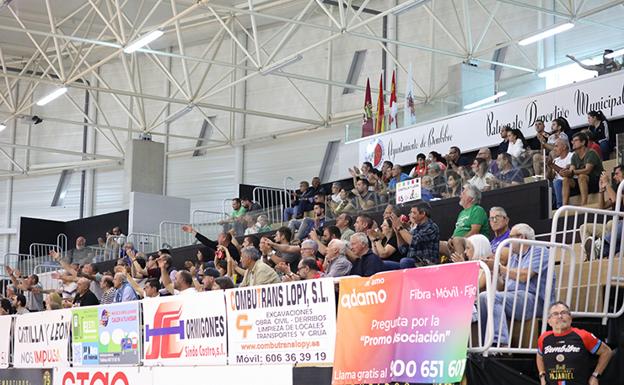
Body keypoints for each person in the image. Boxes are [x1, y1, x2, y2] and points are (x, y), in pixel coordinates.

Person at [478, 224, 553, 346]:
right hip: (513, 297)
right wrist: (493, 273)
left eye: (511, 237)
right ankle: (484, 344)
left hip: (534, 298)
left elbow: (525, 276)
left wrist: (499, 268)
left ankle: (500, 343)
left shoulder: (540, 250)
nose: (508, 241)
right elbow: (502, 286)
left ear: (522, 237)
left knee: (492, 297)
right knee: (483, 296)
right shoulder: (514, 257)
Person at [536, 301, 612, 385]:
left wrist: (595, 376)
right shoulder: (543, 338)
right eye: (555, 314)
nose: (560, 316)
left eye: (564, 313)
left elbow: (607, 352)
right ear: (549, 321)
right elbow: (539, 356)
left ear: (570, 318)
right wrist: (542, 375)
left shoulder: (583, 335)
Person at [440, 184, 490, 259]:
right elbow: (458, 230)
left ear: (471, 199)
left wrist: (458, 240)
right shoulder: (462, 213)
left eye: (463, 194)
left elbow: (474, 232)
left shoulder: (477, 210)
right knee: (439, 245)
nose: (460, 196)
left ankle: (462, 265)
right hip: (458, 243)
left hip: (472, 244)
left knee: (457, 240)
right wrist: (451, 239)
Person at [562, 132, 604, 206]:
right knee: (566, 179)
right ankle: (564, 206)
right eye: (572, 141)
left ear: (583, 142)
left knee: (582, 176)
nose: (573, 143)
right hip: (583, 183)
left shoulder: (591, 153)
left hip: (597, 182)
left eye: (576, 140)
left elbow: (588, 170)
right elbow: (571, 171)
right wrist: (565, 172)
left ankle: (584, 204)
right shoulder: (574, 156)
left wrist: (572, 172)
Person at [394, 200, 440, 267]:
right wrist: (397, 232)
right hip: (411, 262)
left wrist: (400, 228)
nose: (410, 215)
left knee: (405, 262)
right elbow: (403, 250)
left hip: (426, 264)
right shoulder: (416, 229)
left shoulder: (431, 227)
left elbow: (413, 241)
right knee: (385, 264)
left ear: (423, 214)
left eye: (414, 213)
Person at [547, 138, 574, 209]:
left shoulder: (572, 156)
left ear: (564, 147)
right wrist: (549, 166)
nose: (554, 149)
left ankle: (560, 207)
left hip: (569, 182)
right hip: (557, 184)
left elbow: (565, 173)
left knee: (557, 182)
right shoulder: (555, 160)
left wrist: (552, 165)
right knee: (546, 184)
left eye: (556, 146)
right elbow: (550, 177)